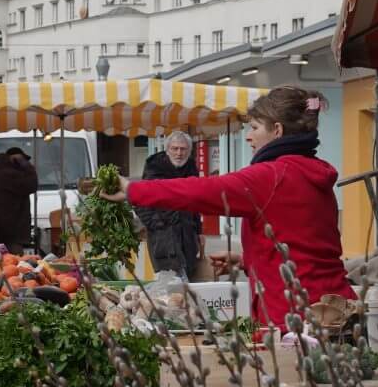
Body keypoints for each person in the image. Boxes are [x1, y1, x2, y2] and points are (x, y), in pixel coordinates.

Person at [101, 86, 354, 328]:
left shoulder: (271, 176)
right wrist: (248, 260)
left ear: (277, 130)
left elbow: (202, 191)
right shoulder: (312, 172)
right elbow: (304, 247)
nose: (248, 136)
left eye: (254, 127)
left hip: (296, 318)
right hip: (334, 307)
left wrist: (133, 189)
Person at [134, 131, 204, 280]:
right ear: (167, 150)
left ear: (189, 151)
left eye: (183, 149)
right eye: (175, 148)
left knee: (186, 282)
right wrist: (157, 223)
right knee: (169, 284)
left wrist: (198, 230)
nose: (179, 153)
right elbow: (140, 200)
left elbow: (196, 202)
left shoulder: (191, 168)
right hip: (164, 238)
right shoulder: (154, 167)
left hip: (188, 237)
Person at [0, 146, 38, 254]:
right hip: (12, 232)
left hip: (3, 229)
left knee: (4, 263)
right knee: (14, 263)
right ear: (15, 161)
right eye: (22, 161)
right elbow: (32, 184)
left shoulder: (0, 173)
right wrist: (27, 166)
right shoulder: (9, 174)